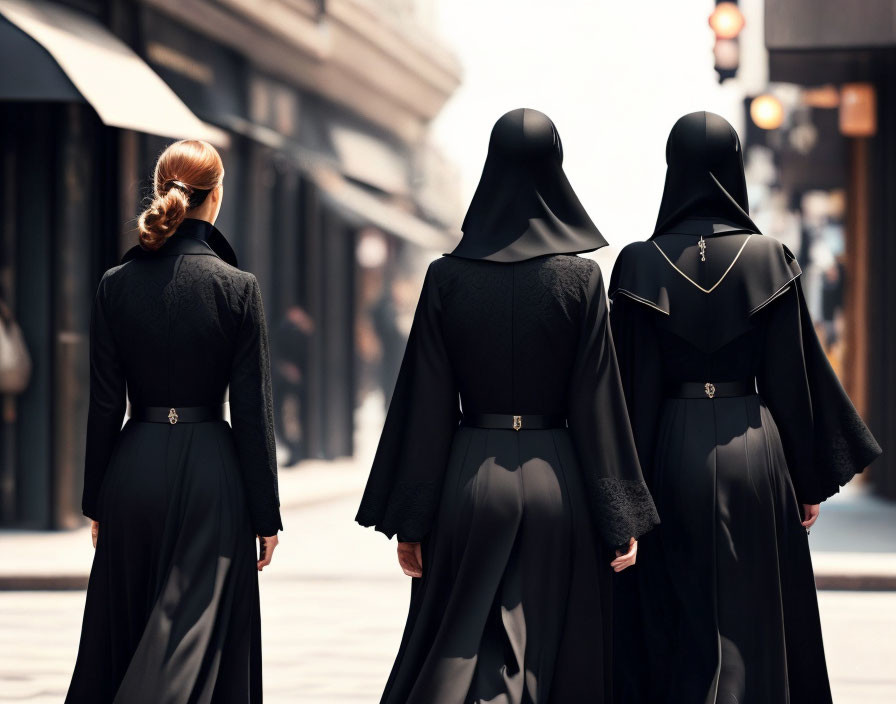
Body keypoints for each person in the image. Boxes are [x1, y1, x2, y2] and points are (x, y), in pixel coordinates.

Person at [356, 108, 659, 703]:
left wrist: (411, 521)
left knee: (458, 647)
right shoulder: (580, 280)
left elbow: (427, 404)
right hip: (558, 479)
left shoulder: (447, 277)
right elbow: (599, 402)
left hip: (469, 477)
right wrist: (619, 514)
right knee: (553, 655)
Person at [608, 111, 881, 704]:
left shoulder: (637, 264)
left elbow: (632, 389)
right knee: (754, 614)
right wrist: (805, 478)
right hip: (754, 446)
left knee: (674, 613)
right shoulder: (770, 258)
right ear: (734, 166)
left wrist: (626, 498)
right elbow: (791, 379)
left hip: (669, 450)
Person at [66, 140, 282, 703]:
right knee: (202, 636)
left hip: (133, 469)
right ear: (216, 199)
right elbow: (253, 410)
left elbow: (105, 405)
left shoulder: (116, 285)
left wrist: (97, 501)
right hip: (213, 471)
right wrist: (265, 513)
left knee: (128, 627)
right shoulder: (238, 288)